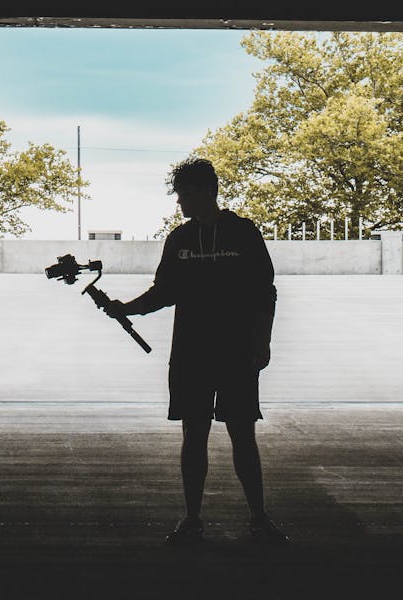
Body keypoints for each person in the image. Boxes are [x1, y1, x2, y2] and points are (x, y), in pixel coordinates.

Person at [105, 156, 288, 545]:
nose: (180, 202)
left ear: (208, 190)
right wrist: (126, 307)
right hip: (191, 352)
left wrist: (262, 342)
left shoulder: (243, 233)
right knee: (194, 434)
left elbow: (265, 293)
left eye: (186, 193)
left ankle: (258, 517)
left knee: (242, 433)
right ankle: (191, 519)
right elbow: (164, 292)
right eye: (178, 194)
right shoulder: (180, 239)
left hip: (237, 352)